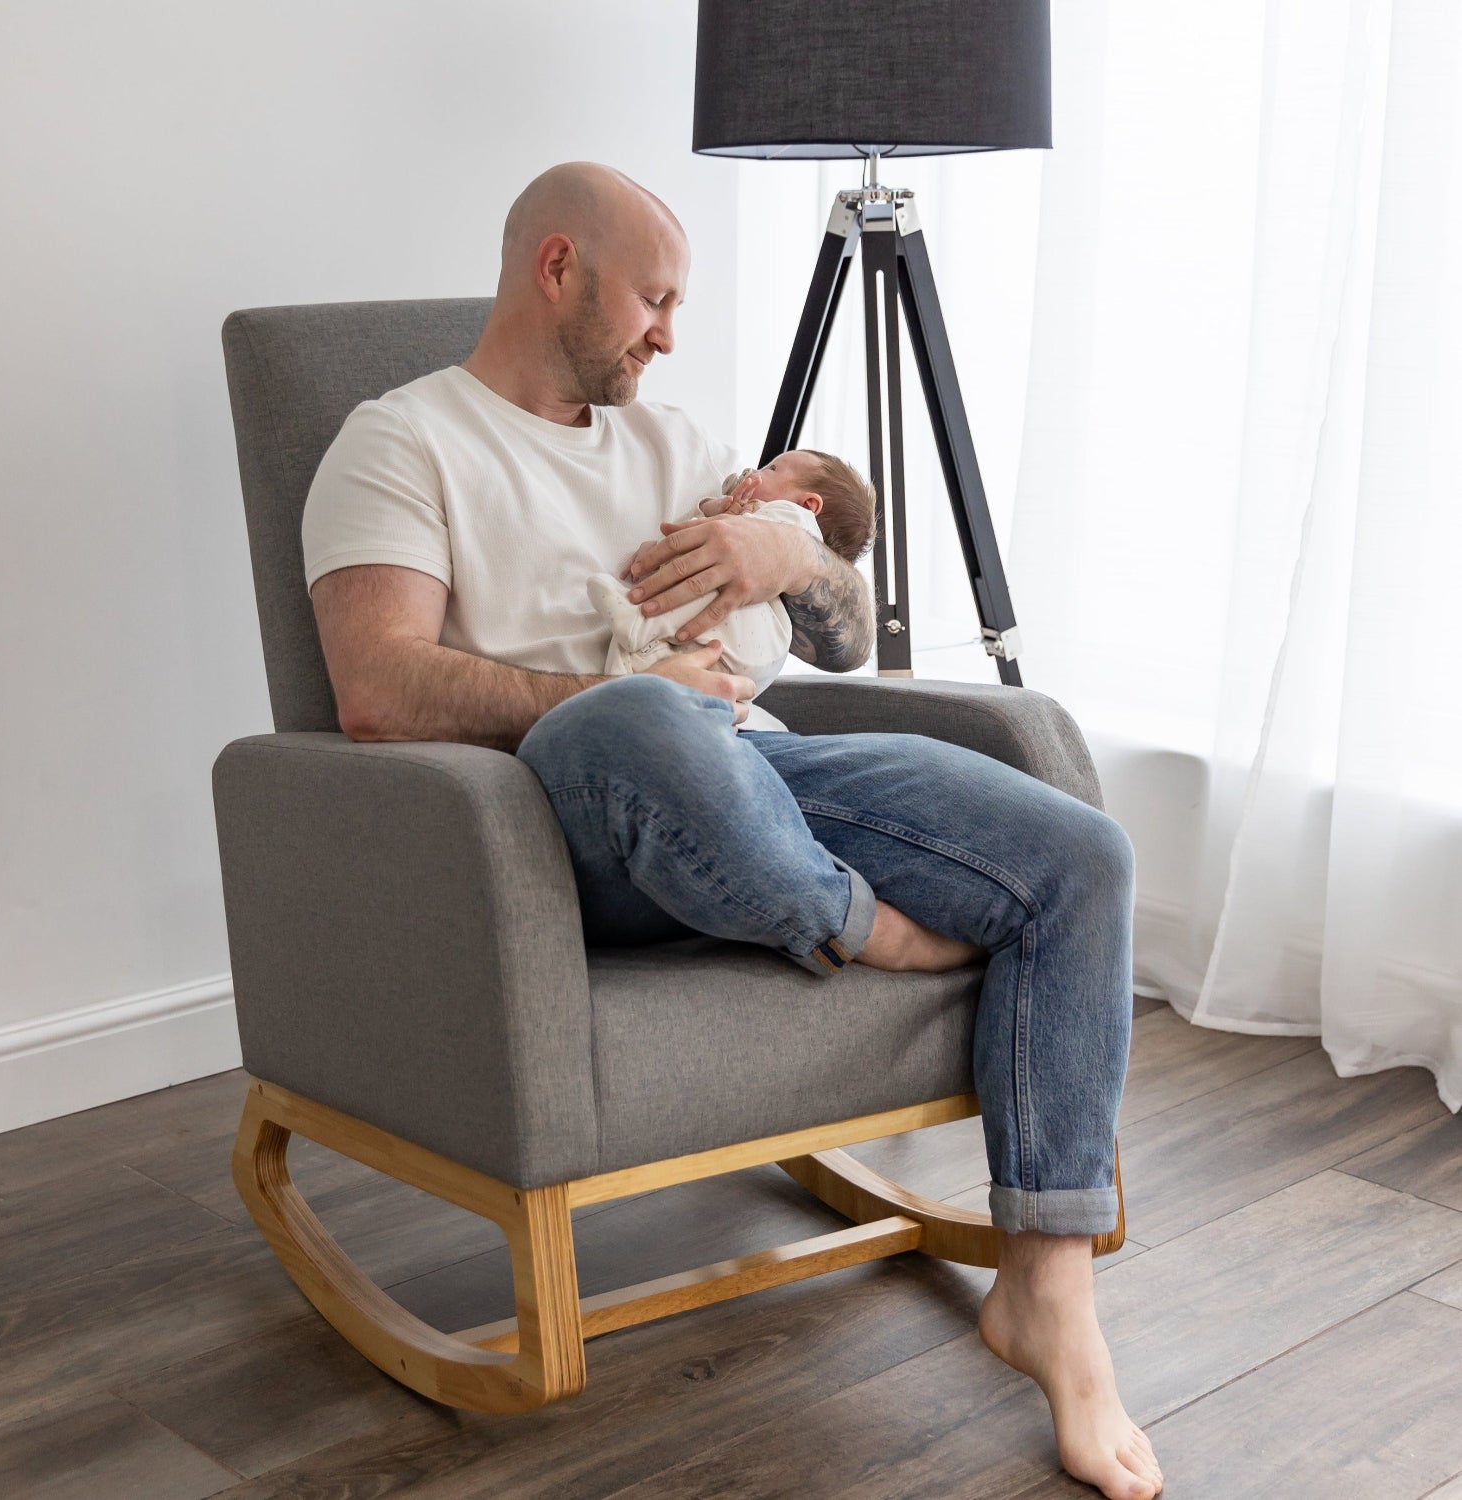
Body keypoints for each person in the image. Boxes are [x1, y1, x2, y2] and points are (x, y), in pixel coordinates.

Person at [301, 161, 1163, 1500]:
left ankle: (1046, 1290)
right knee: (631, 723)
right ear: (559, 269)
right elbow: (376, 686)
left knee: (1080, 857)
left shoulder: (684, 444)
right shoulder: (402, 442)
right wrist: (611, 698)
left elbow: (849, 645)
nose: (666, 332)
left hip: (765, 770)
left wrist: (799, 563)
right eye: (653, 299)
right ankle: (861, 926)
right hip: (558, 819)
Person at [585, 449, 877, 732]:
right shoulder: (767, 510)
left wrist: (665, 548)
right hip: (742, 676)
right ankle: (627, 672)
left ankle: (640, 621)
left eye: (772, 469)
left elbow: (720, 541)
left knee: (705, 588)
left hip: (743, 637)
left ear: (809, 505)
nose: (755, 470)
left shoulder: (792, 518)